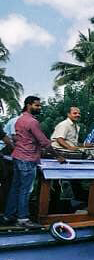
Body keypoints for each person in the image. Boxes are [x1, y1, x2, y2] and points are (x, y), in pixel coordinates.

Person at [3, 96, 56, 226]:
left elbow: (17, 138)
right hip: (27, 158)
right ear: (28, 105)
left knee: (16, 188)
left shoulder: (20, 120)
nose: (39, 108)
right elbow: (43, 141)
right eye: (37, 105)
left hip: (18, 157)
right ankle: (22, 219)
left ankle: (8, 216)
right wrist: (57, 155)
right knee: (25, 190)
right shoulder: (32, 122)